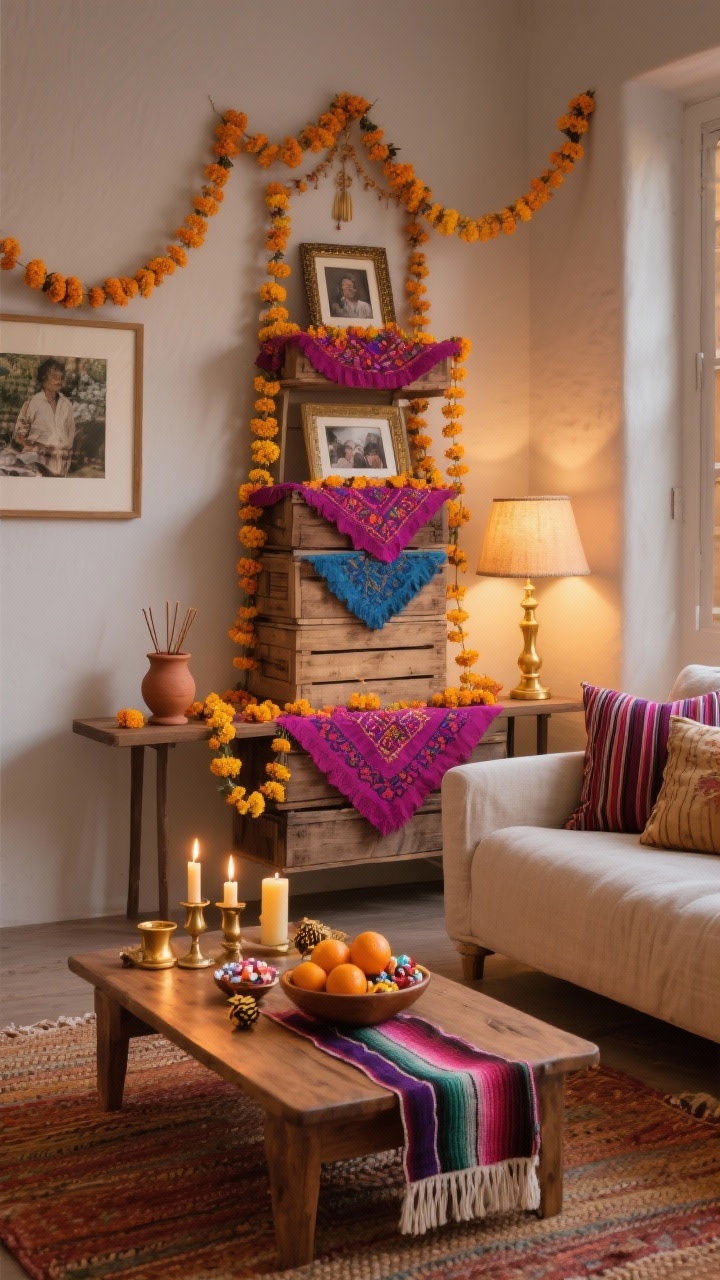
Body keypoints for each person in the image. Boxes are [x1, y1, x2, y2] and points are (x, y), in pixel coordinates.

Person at [12, 357, 77, 476]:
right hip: (37, 463)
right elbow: (19, 436)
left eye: (61, 377)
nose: (59, 380)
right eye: (55, 376)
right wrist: (32, 449)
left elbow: (70, 433)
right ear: (43, 378)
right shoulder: (33, 402)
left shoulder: (66, 404)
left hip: (61, 462)